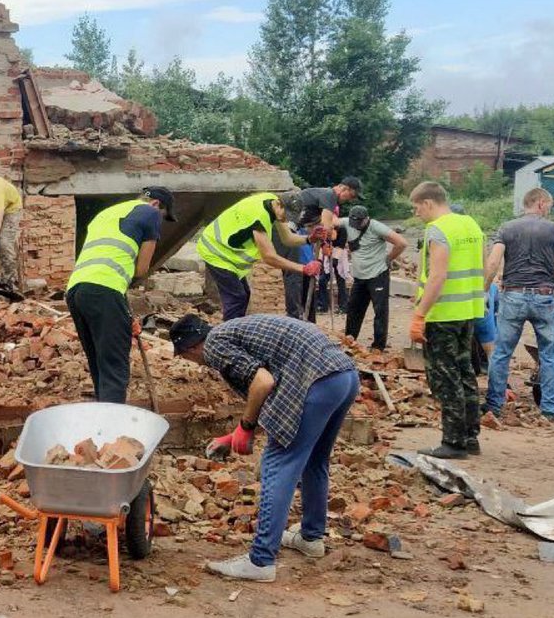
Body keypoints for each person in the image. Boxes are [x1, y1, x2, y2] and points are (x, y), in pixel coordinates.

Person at [170, 313, 360, 582]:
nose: (195, 364)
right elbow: (275, 403)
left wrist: (246, 428)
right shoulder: (233, 332)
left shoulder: (214, 345)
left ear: (191, 347)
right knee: (315, 460)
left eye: (185, 357)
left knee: (278, 464)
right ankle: (311, 538)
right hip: (343, 376)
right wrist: (234, 434)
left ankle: (261, 560)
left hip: (317, 380)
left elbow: (263, 383)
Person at [481, 188, 554, 422]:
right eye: (550, 204)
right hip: (544, 298)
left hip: (512, 296)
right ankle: (550, 410)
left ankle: (494, 406)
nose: (550, 209)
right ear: (541, 203)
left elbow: (493, 261)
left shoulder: (507, 228)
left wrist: (484, 290)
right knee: (549, 354)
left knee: (502, 353)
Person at [63, 187, 174, 403]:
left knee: (99, 365)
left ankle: (102, 423)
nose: (161, 221)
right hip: (105, 290)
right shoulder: (150, 213)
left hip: (77, 290)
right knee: (114, 368)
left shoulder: (106, 213)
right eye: (164, 216)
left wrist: (123, 310)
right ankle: (113, 432)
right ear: (157, 205)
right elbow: (141, 270)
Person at [409, 181, 486, 459]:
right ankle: (470, 436)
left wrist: (419, 314)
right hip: (467, 311)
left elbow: (438, 275)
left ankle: (453, 442)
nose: (417, 213)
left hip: (442, 315)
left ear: (428, 203)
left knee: (446, 377)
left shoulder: (438, 230)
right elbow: (484, 265)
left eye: (417, 207)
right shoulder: (470, 225)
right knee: (466, 373)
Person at [194, 190, 314, 320]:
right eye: (287, 214)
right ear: (279, 204)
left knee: (244, 294)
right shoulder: (259, 217)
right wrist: (303, 268)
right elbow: (269, 257)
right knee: (237, 298)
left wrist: (309, 239)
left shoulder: (272, 201)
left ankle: (235, 331)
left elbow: (287, 239)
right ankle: (227, 336)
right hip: (215, 250)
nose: (286, 219)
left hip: (227, 253)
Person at [283, 177, 363, 320]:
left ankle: (307, 321)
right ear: (343, 188)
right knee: (294, 278)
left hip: (293, 233)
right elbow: (326, 225)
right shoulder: (329, 195)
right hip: (286, 233)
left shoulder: (320, 198)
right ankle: (294, 320)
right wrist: (326, 245)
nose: (350, 199)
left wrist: (326, 239)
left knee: (304, 277)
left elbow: (316, 227)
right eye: (351, 196)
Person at [342, 204, 406, 351]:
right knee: (354, 308)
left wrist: (389, 259)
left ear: (366, 219)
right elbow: (331, 221)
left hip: (378, 275)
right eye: (354, 223)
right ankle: (350, 340)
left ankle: (378, 345)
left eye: (359, 223)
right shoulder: (347, 222)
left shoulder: (377, 227)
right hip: (359, 277)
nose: (356, 226)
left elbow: (402, 243)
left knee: (380, 311)